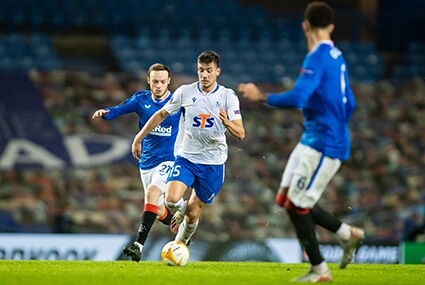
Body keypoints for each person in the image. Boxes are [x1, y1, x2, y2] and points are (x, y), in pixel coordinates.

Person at [238, 1, 364, 283]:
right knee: (286, 199)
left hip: (323, 142)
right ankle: (347, 234)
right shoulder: (337, 56)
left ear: (304, 26)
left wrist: (260, 96)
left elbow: (298, 97)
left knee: (298, 204)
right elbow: (351, 102)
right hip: (315, 137)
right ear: (331, 27)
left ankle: (320, 270)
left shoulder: (316, 58)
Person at [132, 51, 245, 247]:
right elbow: (161, 114)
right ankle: (180, 222)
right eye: (201, 70)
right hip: (187, 157)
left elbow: (241, 133)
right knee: (171, 199)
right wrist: (139, 137)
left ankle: (180, 244)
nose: (204, 75)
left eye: (209, 71)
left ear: (217, 71)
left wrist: (227, 123)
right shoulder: (185, 92)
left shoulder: (228, 97)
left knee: (193, 213)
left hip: (213, 163)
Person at [92, 63, 182, 262]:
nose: (158, 86)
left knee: (152, 193)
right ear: (149, 81)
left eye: (162, 82)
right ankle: (180, 220)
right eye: (155, 81)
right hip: (146, 162)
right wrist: (105, 113)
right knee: (157, 209)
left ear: (169, 82)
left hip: (169, 160)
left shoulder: (177, 101)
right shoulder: (141, 99)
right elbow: (119, 109)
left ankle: (138, 244)